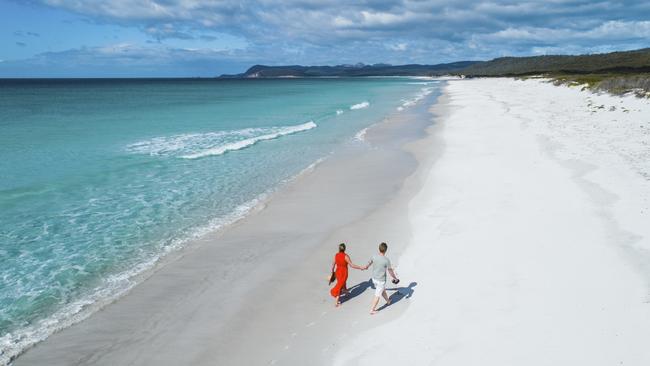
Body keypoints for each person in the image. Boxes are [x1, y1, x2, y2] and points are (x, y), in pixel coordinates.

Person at [364, 242, 398, 315]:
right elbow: (390, 271)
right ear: (385, 250)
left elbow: (370, 262)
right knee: (377, 295)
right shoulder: (386, 260)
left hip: (374, 279)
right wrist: (395, 278)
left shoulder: (374, 256)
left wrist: (366, 266)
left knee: (382, 290)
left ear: (379, 249)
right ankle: (372, 310)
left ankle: (388, 301)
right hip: (381, 280)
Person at [330, 243, 365, 307]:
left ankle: (346, 293)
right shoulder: (346, 256)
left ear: (339, 249)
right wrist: (360, 267)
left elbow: (333, 265)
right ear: (345, 249)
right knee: (340, 286)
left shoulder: (336, 255)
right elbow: (352, 265)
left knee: (342, 283)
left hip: (337, 272)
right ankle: (336, 302)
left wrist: (332, 272)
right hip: (344, 273)